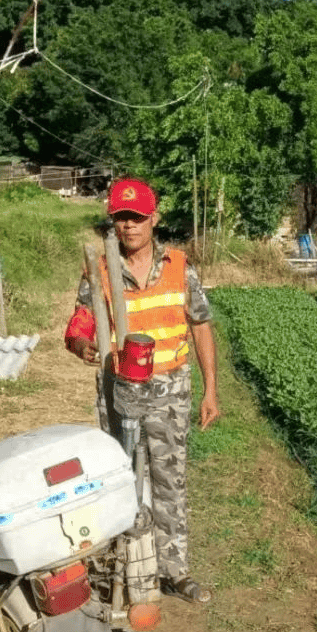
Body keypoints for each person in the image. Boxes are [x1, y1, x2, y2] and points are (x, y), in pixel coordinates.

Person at [64, 177, 218, 604]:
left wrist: (211, 391)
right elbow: (79, 322)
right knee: (124, 480)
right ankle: (130, 572)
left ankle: (175, 571)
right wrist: (81, 344)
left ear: (154, 218)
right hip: (119, 391)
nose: (129, 225)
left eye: (136, 217)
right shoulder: (99, 270)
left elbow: (201, 326)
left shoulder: (179, 267)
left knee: (170, 481)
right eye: (121, 218)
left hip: (170, 391)